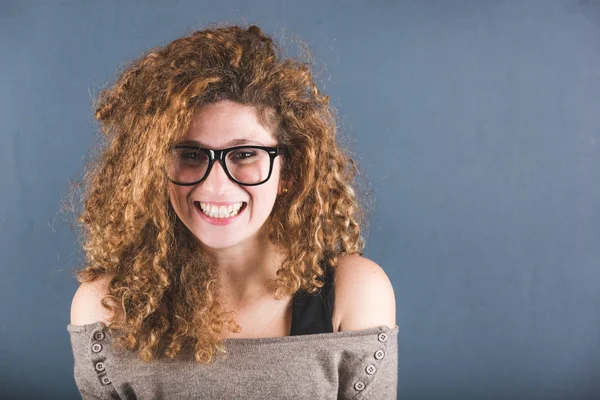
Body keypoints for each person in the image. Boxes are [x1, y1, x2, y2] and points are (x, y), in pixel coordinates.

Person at [67, 23, 398, 399]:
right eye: (191, 155)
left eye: (244, 155)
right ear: (152, 170)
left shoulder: (352, 293)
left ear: (288, 170)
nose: (216, 186)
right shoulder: (104, 305)